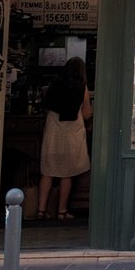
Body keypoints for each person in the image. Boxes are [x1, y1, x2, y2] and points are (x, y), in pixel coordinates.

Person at [37, 58, 92, 221]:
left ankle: (41, 210)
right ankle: (62, 211)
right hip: (72, 134)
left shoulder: (54, 85)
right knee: (67, 174)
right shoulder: (82, 88)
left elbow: (46, 106)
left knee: (48, 172)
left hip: (53, 133)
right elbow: (87, 113)